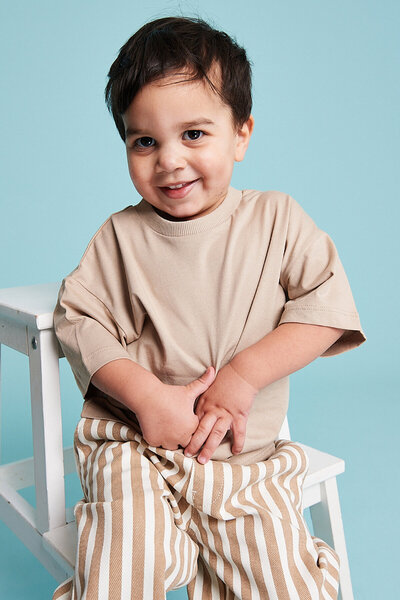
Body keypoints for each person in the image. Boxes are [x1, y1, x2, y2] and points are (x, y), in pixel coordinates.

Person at [52, 16, 365, 600]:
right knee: (129, 562)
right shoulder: (121, 237)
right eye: (145, 141)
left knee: (282, 585)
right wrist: (147, 398)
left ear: (241, 134)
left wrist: (243, 377)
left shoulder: (276, 219)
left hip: (244, 461)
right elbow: (79, 321)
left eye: (193, 134)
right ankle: (160, 547)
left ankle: (288, 565)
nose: (169, 160)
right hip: (137, 450)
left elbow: (327, 307)